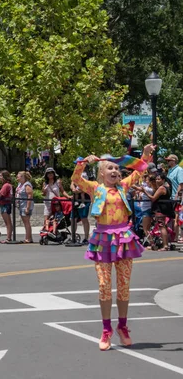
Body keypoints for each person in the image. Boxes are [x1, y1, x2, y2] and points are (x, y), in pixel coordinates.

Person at [71, 144, 153, 351]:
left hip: (124, 238)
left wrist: (144, 154)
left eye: (117, 168)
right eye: (110, 168)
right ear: (101, 172)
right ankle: (106, 329)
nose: (115, 171)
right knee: (104, 285)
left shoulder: (123, 187)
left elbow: (141, 169)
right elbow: (76, 180)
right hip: (102, 240)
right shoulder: (95, 188)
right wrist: (82, 163)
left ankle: (122, 326)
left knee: (124, 286)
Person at [143, 172, 175, 251]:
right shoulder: (166, 186)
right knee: (163, 226)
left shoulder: (162, 188)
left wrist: (144, 191)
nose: (157, 181)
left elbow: (153, 198)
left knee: (161, 226)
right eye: (156, 179)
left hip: (160, 209)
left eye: (159, 179)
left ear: (163, 180)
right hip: (163, 208)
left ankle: (165, 246)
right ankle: (164, 244)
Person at [164, 154, 183, 241]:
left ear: (174, 160)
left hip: (176, 197)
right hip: (170, 197)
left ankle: (177, 236)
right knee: (171, 217)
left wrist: (177, 196)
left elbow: (181, 184)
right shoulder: (170, 171)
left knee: (177, 217)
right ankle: (172, 236)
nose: (167, 162)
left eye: (169, 160)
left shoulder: (179, 170)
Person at [71, 172, 91, 243]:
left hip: (85, 199)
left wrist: (80, 191)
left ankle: (86, 238)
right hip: (76, 199)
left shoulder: (87, 174)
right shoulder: (76, 173)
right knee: (73, 218)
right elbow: (72, 184)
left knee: (84, 218)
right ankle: (73, 237)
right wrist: (74, 189)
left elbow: (88, 186)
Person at [15, 171, 34, 243]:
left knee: (26, 222)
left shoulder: (27, 185)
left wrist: (27, 207)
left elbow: (30, 195)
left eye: (18, 176)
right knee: (25, 222)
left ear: (23, 177)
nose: (17, 177)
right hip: (21, 205)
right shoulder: (20, 184)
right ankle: (29, 237)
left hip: (25, 206)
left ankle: (28, 238)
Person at [0, 170, 14, 243]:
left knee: (8, 222)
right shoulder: (8, 185)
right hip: (5, 204)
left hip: (5, 204)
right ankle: (8, 237)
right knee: (8, 222)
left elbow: (1, 195)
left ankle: (8, 238)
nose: (0, 177)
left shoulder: (6, 185)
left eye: (1, 176)